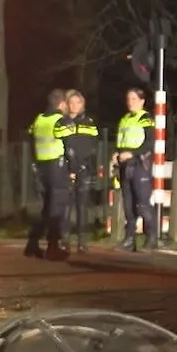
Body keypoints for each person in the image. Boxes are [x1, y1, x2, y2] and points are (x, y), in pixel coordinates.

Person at [24, 90, 74, 260]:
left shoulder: (39, 119)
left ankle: (32, 243)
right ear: (61, 104)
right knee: (56, 208)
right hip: (56, 167)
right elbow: (69, 146)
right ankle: (53, 247)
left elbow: (31, 139)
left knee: (46, 208)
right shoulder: (60, 120)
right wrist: (73, 168)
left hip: (41, 167)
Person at [111, 87, 158, 251]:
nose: (130, 102)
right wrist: (116, 154)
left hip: (140, 165)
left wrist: (132, 153)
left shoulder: (145, 119)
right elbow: (121, 141)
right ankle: (129, 239)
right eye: (128, 99)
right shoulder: (124, 119)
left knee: (143, 204)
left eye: (134, 99)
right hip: (125, 166)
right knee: (128, 205)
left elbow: (150, 143)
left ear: (142, 101)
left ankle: (151, 237)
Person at [61, 90, 102, 253]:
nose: (75, 106)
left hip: (84, 170)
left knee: (82, 206)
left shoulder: (89, 123)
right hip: (65, 170)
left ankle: (82, 242)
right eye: (72, 102)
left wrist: (85, 166)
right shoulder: (62, 123)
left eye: (78, 102)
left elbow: (93, 146)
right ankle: (64, 239)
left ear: (82, 105)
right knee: (66, 206)